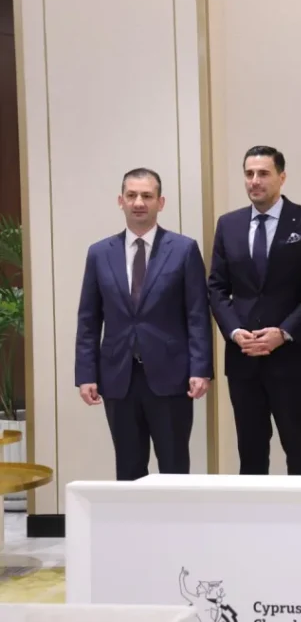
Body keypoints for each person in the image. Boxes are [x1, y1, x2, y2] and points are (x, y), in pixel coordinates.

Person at [74, 168, 213, 481]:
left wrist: (200, 369)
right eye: (132, 195)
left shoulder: (183, 249)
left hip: (171, 376)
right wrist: (86, 374)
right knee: (128, 469)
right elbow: (88, 320)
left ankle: (174, 517)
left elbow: (197, 315)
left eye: (147, 196)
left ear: (160, 202)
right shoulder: (99, 253)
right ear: (120, 201)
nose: (139, 202)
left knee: (174, 467)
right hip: (118, 377)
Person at [208, 146, 301, 475]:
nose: (255, 181)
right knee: (250, 452)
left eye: (263, 173)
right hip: (244, 357)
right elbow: (216, 287)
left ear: (282, 177)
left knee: (299, 449)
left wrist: (284, 332)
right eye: (249, 174)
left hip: (293, 356)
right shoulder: (229, 224)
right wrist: (235, 332)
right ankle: (251, 511)